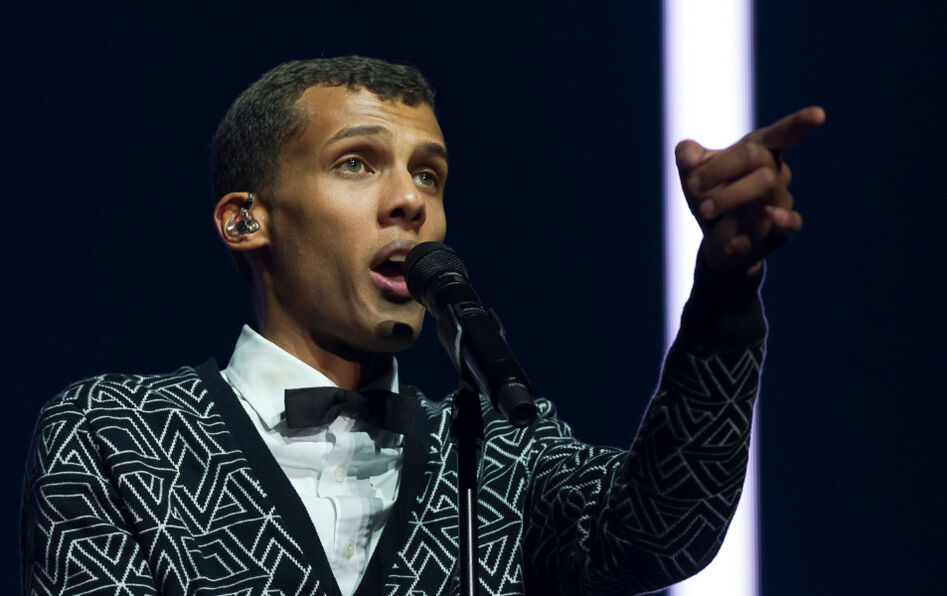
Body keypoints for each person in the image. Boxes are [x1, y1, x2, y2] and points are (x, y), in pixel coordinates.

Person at [19, 56, 824, 595]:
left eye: (429, 175)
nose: (410, 200)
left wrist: (725, 289)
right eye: (356, 162)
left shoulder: (498, 453)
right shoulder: (117, 435)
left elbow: (660, 532)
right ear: (245, 221)